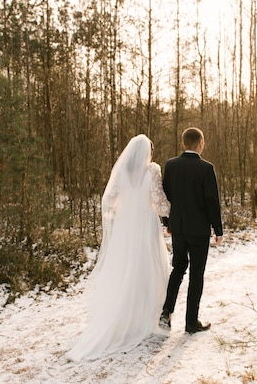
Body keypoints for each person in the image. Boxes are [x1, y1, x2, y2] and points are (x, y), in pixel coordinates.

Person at [67, 134, 171, 361]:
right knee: (149, 267)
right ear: (147, 153)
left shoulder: (122, 172)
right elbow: (160, 202)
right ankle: (145, 318)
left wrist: (125, 209)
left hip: (126, 225)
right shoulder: (152, 170)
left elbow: (110, 200)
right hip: (145, 224)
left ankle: (126, 317)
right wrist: (171, 211)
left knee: (126, 268)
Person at [159, 127, 223, 334]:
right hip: (198, 231)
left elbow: (165, 197)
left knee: (177, 269)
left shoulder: (171, 165)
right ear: (201, 143)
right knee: (196, 274)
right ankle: (191, 322)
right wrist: (218, 229)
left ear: (184, 143)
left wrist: (167, 222)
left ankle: (166, 312)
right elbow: (211, 201)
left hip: (178, 228)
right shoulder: (206, 168)